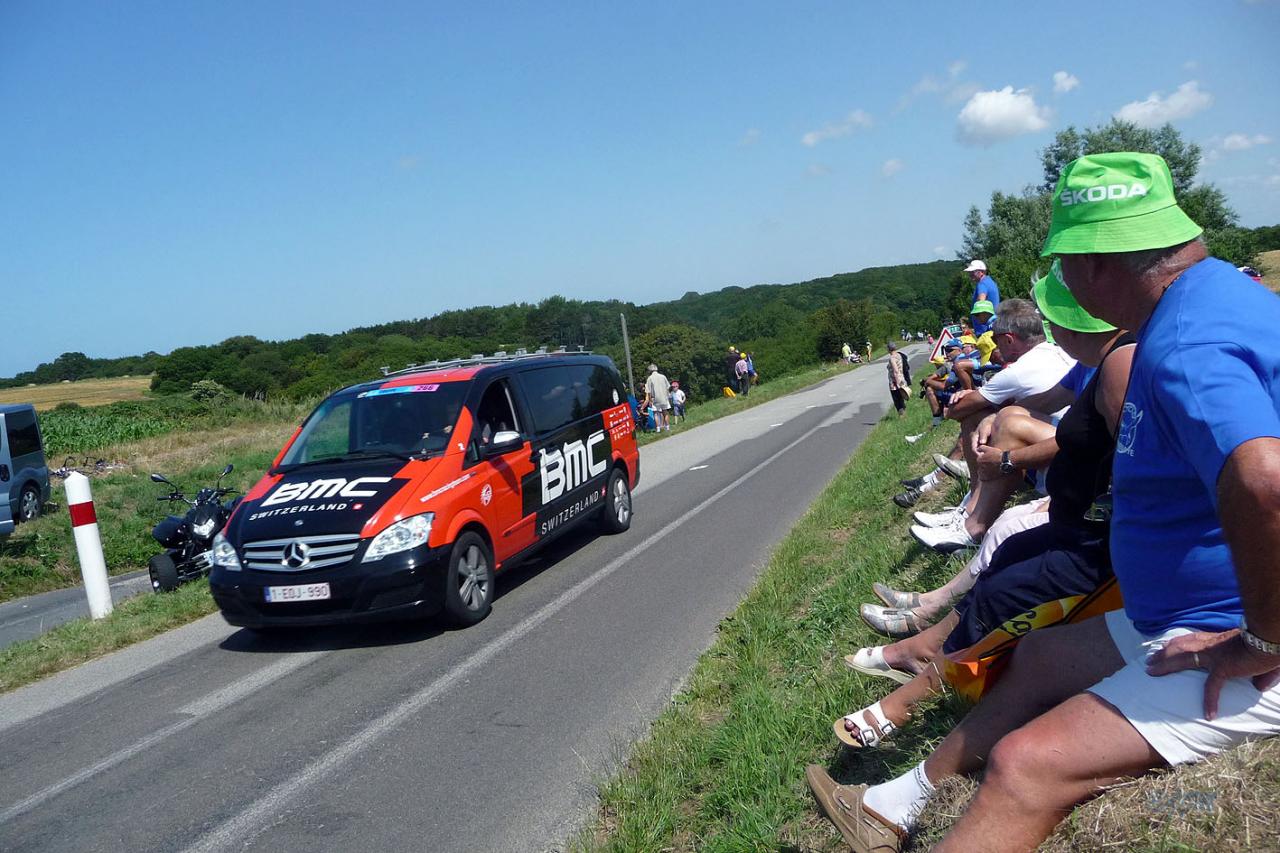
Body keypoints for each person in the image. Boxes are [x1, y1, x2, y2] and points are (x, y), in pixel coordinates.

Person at [808, 151, 1280, 853]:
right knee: (1038, 658)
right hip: (1182, 612)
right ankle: (889, 807)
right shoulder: (1216, 300)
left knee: (1023, 765)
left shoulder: (1183, 345)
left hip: (1226, 635)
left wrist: (1264, 638)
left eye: (1062, 264)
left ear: (1093, 265)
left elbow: (1264, 478)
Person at [644, 363, 671, 432]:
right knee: (665, 412)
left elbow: (648, 391)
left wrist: (650, 400)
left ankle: (658, 428)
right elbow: (668, 387)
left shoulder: (649, 378)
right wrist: (667, 395)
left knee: (656, 413)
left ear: (650, 371)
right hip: (664, 397)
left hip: (655, 398)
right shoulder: (663, 376)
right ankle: (667, 427)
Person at [886, 342, 910, 417]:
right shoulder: (899, 355)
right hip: (901, 378)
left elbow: (895, 370)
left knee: (897, 399)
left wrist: (897, 383)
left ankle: (902, 415)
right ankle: (904, 414)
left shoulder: (892, 358)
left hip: (895, 382)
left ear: (888, 349)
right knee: (901, 398)